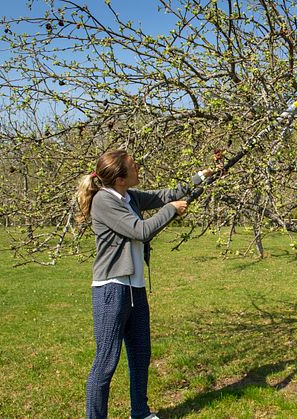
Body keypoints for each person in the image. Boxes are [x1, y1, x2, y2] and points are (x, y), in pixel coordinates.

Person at [76, 149, 213, 419]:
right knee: (106, 362)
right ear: (120, 178)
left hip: (134, 288)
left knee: (140, 355)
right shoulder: (105, 201)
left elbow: (166, 194)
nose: (139, 168)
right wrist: (171, 211)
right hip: (111, 289)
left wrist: (200, 178)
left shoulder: (129, 197)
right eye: (133, 166)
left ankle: (139, 412)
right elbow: (141, 230)